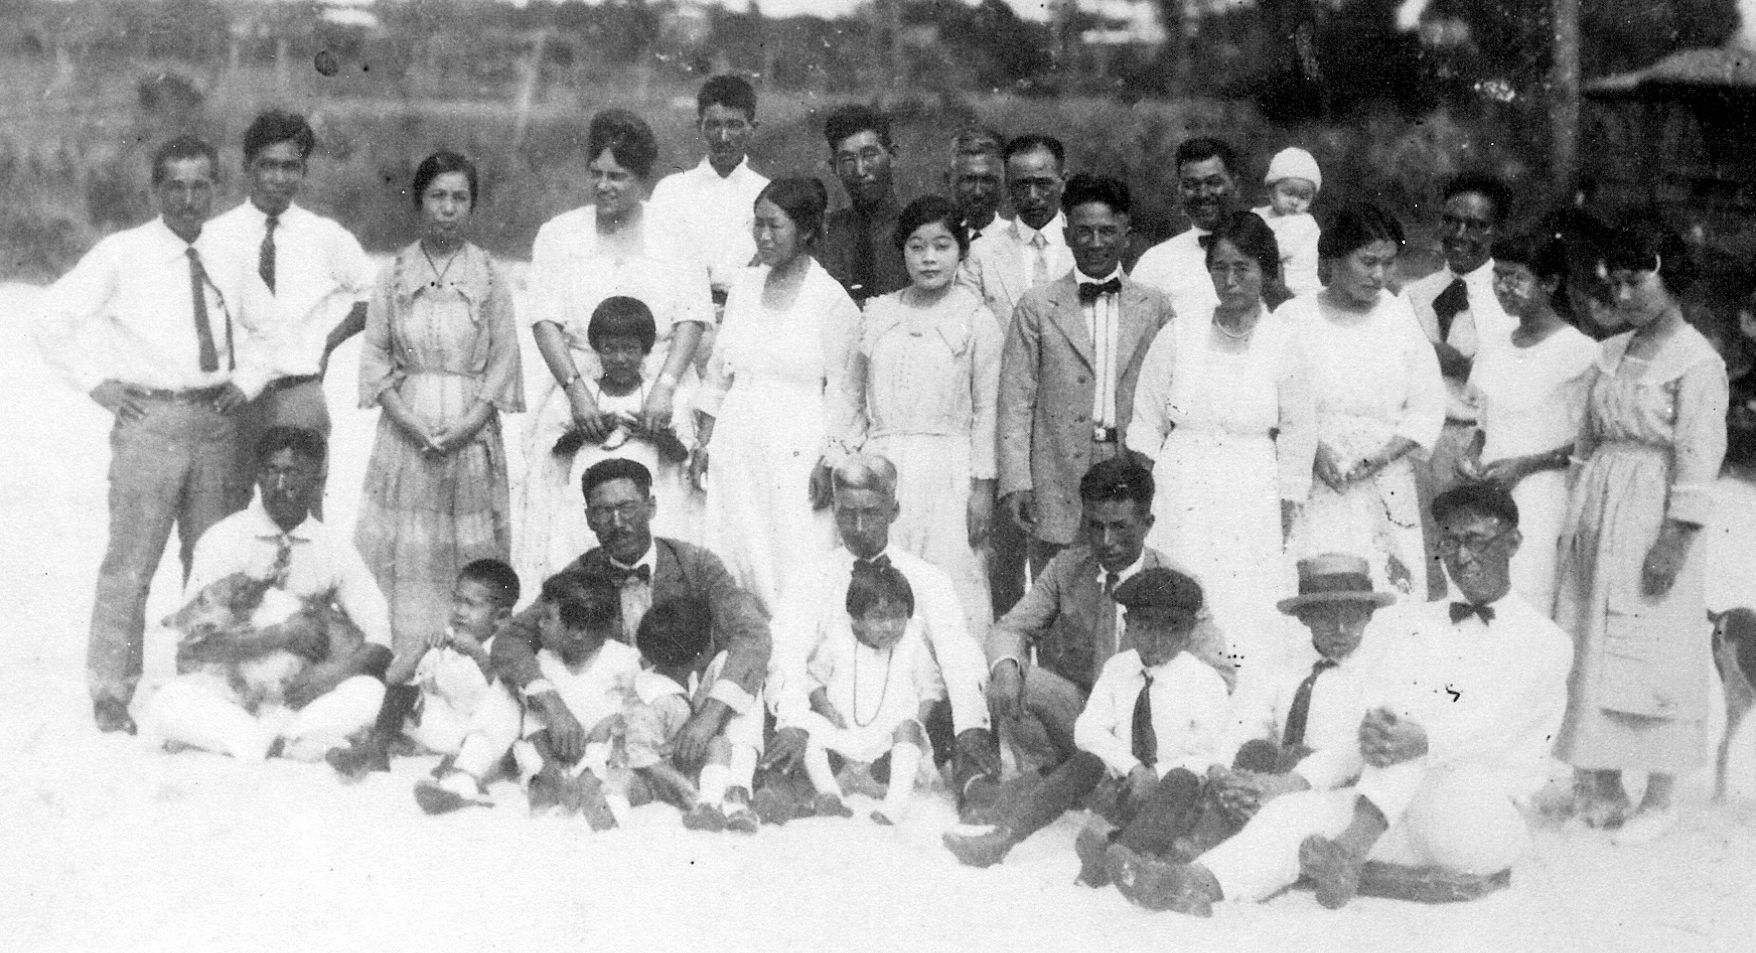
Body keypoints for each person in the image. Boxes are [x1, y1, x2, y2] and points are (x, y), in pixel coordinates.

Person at [1110, 484, 1573, 916]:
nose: (1462, 557)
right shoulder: (1421, 626)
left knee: (1415, 740)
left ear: (1513, 542)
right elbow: (1374, 735)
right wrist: (1291, 784)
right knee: (1297, 810)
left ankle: (1349, 851)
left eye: (1476, 540)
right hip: (1399, 813)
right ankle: (1194, 884)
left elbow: (1488, 728)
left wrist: (1414, 739)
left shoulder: (1546, 642)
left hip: (1478, 819)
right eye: (1449, 543)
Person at [34, 134, 267, 734]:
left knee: (212, 560)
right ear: (156, 190)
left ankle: (206, 681)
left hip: (217, 421)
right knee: (130, 564)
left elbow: (274, 329)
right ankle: (112, 691)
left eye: (200, 186)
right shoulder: (123, 253)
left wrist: (248, 380)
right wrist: (97, 384)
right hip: (150, 423)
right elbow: (52, 317)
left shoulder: (232, 254)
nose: (189, 199)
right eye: (176, 186)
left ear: (216, 189)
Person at [1554, 221, 1729, 845]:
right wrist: (1573, 514)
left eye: (1636, 281)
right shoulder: (1611, 352)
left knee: (1652, 644)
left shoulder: (1697, 361)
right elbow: (1586, 441)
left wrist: (1673, 541)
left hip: (1653, 512)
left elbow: (1699, 457)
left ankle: (1660, 795)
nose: (1623, 295)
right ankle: (1600, 784)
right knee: (1592, 640)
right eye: (1616, 283)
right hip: (1599, 505)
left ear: (1670, 279)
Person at [492, 458, 771, 789]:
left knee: (741, 669)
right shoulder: (580, 575)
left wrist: (708, 719)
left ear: (651, 507)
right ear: (588, 519)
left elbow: (752, 633)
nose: (617, 522)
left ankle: (738, 787)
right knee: (520, 681)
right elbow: (512, 639)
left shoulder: (695, 564)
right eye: (602, 512)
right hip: (617, 720)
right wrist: (553, 707)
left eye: (628, 508)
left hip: (687, 711)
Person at [944, 568, 1231, 874]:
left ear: (1189, 633)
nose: (1157, 641)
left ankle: (1117, 857)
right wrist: (1131, 767)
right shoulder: (1119, 669)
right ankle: (1002, 840)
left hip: (1177, 804)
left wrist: (1155, 774)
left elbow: (1208, 755)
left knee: (1182, 779)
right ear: (1128, 626)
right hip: (1127, 788)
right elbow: (1088, 729)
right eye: (1145, 627)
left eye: (1171, 630)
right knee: (1087, 761)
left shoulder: (1204, 681)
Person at [760, 454, 999, 821]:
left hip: (904, 712)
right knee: (779, 698)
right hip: (835, 710)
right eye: (845, 513)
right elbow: (787, 652)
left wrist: (969, 725)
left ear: (894, 510)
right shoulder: (813, 577)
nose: (857, 526)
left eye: (870, 512)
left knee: (966, 700)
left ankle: (973, 787)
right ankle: (786, 787)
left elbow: (957, 654)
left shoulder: (927, 578)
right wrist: (792, 720)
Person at [1128, 211, 1315, 677]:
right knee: (1181, 591)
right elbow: (1147, 423)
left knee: (1245, 604)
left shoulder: (1284, 341)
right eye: (1219, 269)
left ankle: (1243, 710)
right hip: (1181, 488)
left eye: (1242, 269)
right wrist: (1152, 493)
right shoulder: (1179, 333)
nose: (1230, 281)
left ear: (1266, 272)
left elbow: (1297, 430)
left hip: (1252, 487)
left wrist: (1288, 501)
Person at [524, 109, 711, 574]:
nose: (604, 186)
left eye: (618, 176)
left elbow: (692, 318)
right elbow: (545, 322)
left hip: (659, 389)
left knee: (666, 508)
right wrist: (576, 392)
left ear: (642, 179)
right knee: (567, 521)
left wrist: (665, 387)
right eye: (597, 174)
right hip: (580, 386)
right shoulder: (558, 234)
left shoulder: (677, 234)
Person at [354, 150, 524, 654]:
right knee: (407, 550)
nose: (447, 208)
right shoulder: (394, 273)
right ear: (419, 200)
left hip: (469, 434)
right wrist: (409, 422)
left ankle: (466, 662)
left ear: (472, 206)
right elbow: (375, 357)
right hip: (406, 434)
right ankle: (401, 657)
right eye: (437, 196)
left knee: (464, 551)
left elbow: (504, 360)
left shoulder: (490, 276)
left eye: (459, 198)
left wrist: (468, 425)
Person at [150, 427, 392, 762]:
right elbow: (195, 647)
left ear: (317, 478)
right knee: (170, 702)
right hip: (232, 693)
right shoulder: (223, 538)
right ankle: (289, 744)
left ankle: (270, 741)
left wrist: (330, 675)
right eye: (271, 471)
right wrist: (279, 636)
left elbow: (380, 639)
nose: (280, 485)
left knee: (371, 693)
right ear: (257, 476)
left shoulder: (333, 547)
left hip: (299, 695)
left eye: (293, 473)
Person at [985, 458, 1235, 777]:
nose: (1106, 541)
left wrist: (1155, 695)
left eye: (1119, 527)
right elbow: (1009, 630)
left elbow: (1220, 674)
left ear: (1147, 523)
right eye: (1095, 525)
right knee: (1010, 677)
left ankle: (1093, 780)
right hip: (1083, 717)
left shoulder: (1178, 584)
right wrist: (1006, 669)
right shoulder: (1067, 568)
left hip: (1149, 726)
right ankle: (1051, 776)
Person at [693, 177, 865, 613]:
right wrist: (704, 443)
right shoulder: (745, 289)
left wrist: (830, 461)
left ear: (806, 230)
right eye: (758, 225)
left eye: (775, 226)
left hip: (796, 449)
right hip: (736, 443)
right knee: (733, 556)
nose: (763, 237)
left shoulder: (832, 302)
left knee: (793, 563)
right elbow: (718, 376)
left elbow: (846, 393)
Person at [998, 174, 1173, 571]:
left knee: (1129, 584)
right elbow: (1015, 403)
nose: (1096, 243)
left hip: (1130, 463)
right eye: (1084, 232)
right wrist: (1017, 482)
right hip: (1056, 469)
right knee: (1057, 587)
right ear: (1067, 233)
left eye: (1107, 231)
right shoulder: (1037, 306)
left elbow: (1169, 400)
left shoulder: (1155, 308)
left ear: (1126, 234)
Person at [207, 109, 376, 516]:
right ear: (248, 168)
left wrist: (328, 345)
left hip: (297, 394)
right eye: (268, 166)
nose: (280, 178)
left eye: (291, 167)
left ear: (303, 171)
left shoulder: (325, 236)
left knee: (301, 518)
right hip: (233, 397)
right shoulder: (216, 235)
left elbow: (373, 294)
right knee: (222, 517)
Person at [1283, 204, 1445, 600]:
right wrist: (1309, 449)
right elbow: (1271, 402)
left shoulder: (1400, 318)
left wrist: (1381, 457)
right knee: (1318, 592)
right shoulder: (1293, 318)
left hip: (1384, 479)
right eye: (1367, 262)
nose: (1379, 275)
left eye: (1389, 263)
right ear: (1334, 259)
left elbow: (1427, 405)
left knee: (1389, 596)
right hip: (1315, 481)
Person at [859, 195, 1002, 637]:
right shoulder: (879, 312)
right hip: (884, 465)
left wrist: (982, 489)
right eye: (917, 247)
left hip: (949, 470)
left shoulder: (977, 320)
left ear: (961, 250)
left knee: (950, 582)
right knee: (882, 578)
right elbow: (850, 395)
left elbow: (987, 409)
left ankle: (960, 694)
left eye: (941, 246)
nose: (928, 258)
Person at [958, 133, 1073, 615]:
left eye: (1043, 183)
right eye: (1020, 184)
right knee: (1004, 565)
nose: (1032, 196)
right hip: (1008, 428)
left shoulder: (1086, 246)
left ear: (1061, 181)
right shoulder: (983, 254)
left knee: (1067, 566)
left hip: (1068, 427)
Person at [1459, 234, 1600, 612]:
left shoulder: (1580, 351)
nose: (1503, 288)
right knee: (1480, 593)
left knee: (1527, 592)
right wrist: (1472, 452)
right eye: (1498, 276)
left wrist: (1526, 466)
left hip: (1542, 494)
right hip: (1488, 490)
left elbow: (1590, 440)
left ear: (1550, 283)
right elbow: (1486, 422)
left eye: (1515, 278)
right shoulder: (1496, 344)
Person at [520, 296, 693, 592]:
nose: (620, 358)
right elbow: (552, 452)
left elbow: (682, 453)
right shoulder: (580, 396)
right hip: (584, 508)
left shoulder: (658, 398)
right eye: (610, 349)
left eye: (630, 349)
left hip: (641, 510)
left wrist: (655, 434)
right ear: (597, 350)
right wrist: (584, 432)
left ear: (646, 350)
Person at [1402, 174, 1517, 597]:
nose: (1460, 235)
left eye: (1477, 225)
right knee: (1419, 567)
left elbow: (1521, 381)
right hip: (1416, 446)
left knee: (1472, 568)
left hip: (1473, 446)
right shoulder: (1414, 295)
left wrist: (1466, 366)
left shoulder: (1510, 299)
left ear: (1497, 230)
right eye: (1451, 221)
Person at [358, 559, 523, 810]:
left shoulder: (509, 647)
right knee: (387, 690)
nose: (459, 611)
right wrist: (423, 648)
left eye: (470, 605)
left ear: (501, 618)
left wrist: (478, 654)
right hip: (449, 729)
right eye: (457, 600)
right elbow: (392, 678)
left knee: (497, 718)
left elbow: (508, 700)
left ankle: (463, 782)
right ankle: (374, 749)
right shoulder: (449, 640)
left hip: (486, 739)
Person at [798, 563, 944, 825]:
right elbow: (813, 680)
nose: (890, 627)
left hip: (886, 750)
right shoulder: (838, 640)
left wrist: (913, 725)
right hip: (842, 739)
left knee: (909, 729)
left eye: (899, 616)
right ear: (856, 619)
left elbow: (931, 689)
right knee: (809, 726)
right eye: (878, 617)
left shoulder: (911, 644)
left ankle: (893, 807)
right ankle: (830, 794)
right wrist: (827, 710)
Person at [507, 574, 644, 826]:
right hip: (556, 749)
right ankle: (551, 778)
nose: (539, 624)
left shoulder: (621, 659)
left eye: (548, 617)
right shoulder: (545, 660)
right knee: (530, 741)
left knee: (616, 743)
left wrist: (607, 728)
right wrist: (548, 753)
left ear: (579, 630)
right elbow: (533, 711)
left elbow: (635, 707)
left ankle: (594, 792)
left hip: (601, 745)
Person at [620, 597, 763, 834]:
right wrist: (683, 788)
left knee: (719, 743)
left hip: (682, 757)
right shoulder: (652, 697)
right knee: (624, 785)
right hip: (657, 771)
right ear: (700, 653)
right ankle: (704, 802)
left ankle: (712, 803)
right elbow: (639, 753)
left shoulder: (685, 676)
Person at [646, 75, 769, 303]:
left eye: (734, 125)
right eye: (714, 125)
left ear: (753, 128)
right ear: (699, 127)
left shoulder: (768, 193)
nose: (723, 137)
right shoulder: (671, 191)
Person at [1130, 137, 1243, 317]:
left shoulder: (1271, 247)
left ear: (1235, 185)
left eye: (1213, 182)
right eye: (1191, 185)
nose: (1203, 194)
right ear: (1179, 191)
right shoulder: (1155, 263)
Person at [819, 104, 909, 304]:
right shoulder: (825, 233)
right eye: (847, 159)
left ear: (892, 156)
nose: (860, 170)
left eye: (869, 155)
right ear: (834, 168)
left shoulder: (916, 232)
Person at [1251, 146, 1322, 299]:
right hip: (1265, 283)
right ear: (1271, 191)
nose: (1295, 202)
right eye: (1289, 193)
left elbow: (1278, 249)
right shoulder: (1259, 214)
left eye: (1303, 197)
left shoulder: (1304, 223)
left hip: (1299, 288)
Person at [945, 127, 1006, 241]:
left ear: (1004, 181)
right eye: (968, 179)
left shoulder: (1019, 242)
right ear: (949, 180)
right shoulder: (932, 241)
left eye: (988, 180)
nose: (978, 192)